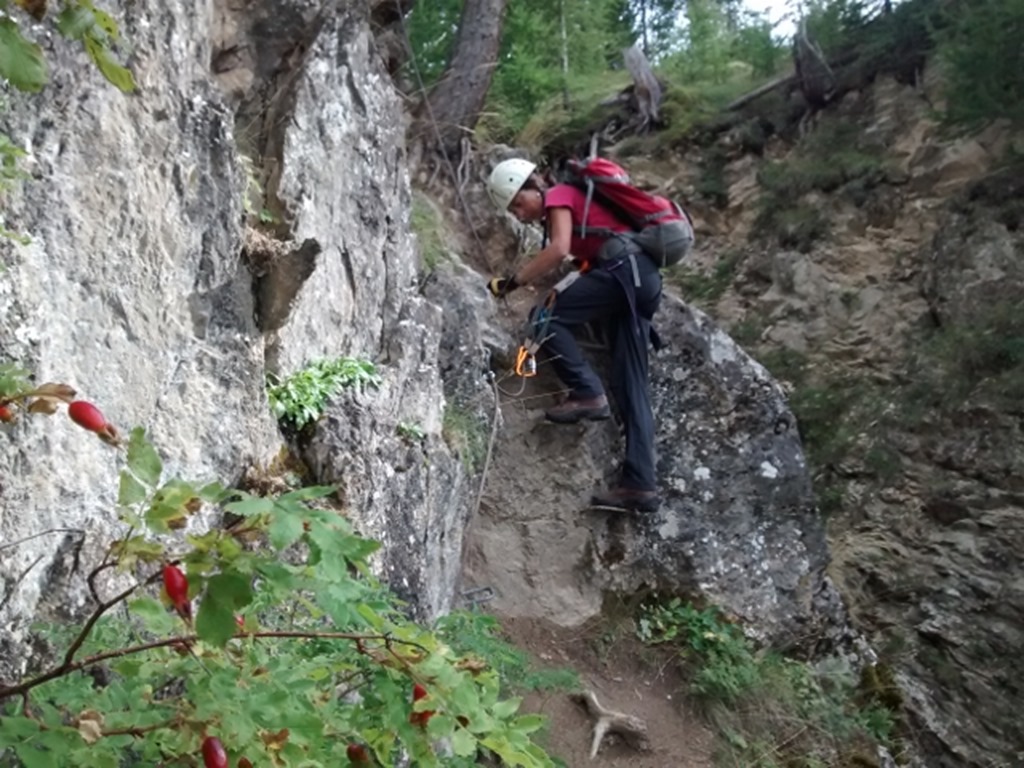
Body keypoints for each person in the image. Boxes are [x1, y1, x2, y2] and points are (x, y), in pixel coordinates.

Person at [485, 156, 665, 513]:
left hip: (623, 274)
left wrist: (513, 283)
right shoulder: (577, 206)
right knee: (631, 387)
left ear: (533, 186)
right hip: (640, 281)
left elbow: (558, 249)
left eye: (519, 204)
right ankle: (640, 485)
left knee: (545, 318)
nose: (519, 215)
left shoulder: (560, 195)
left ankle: (586, 392)